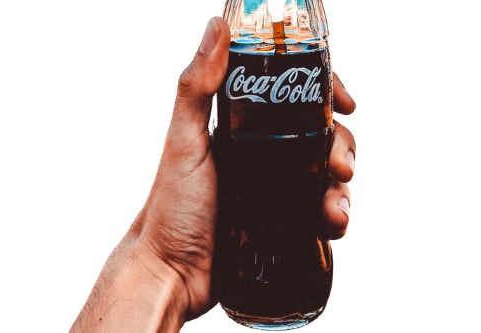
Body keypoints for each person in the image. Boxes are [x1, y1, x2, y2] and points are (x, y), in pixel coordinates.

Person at [70, 17, 356, 333]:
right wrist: (165, 261)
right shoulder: (253, 35)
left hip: (294, 256)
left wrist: (164, 268)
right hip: (239, 254)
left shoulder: (302, 34)